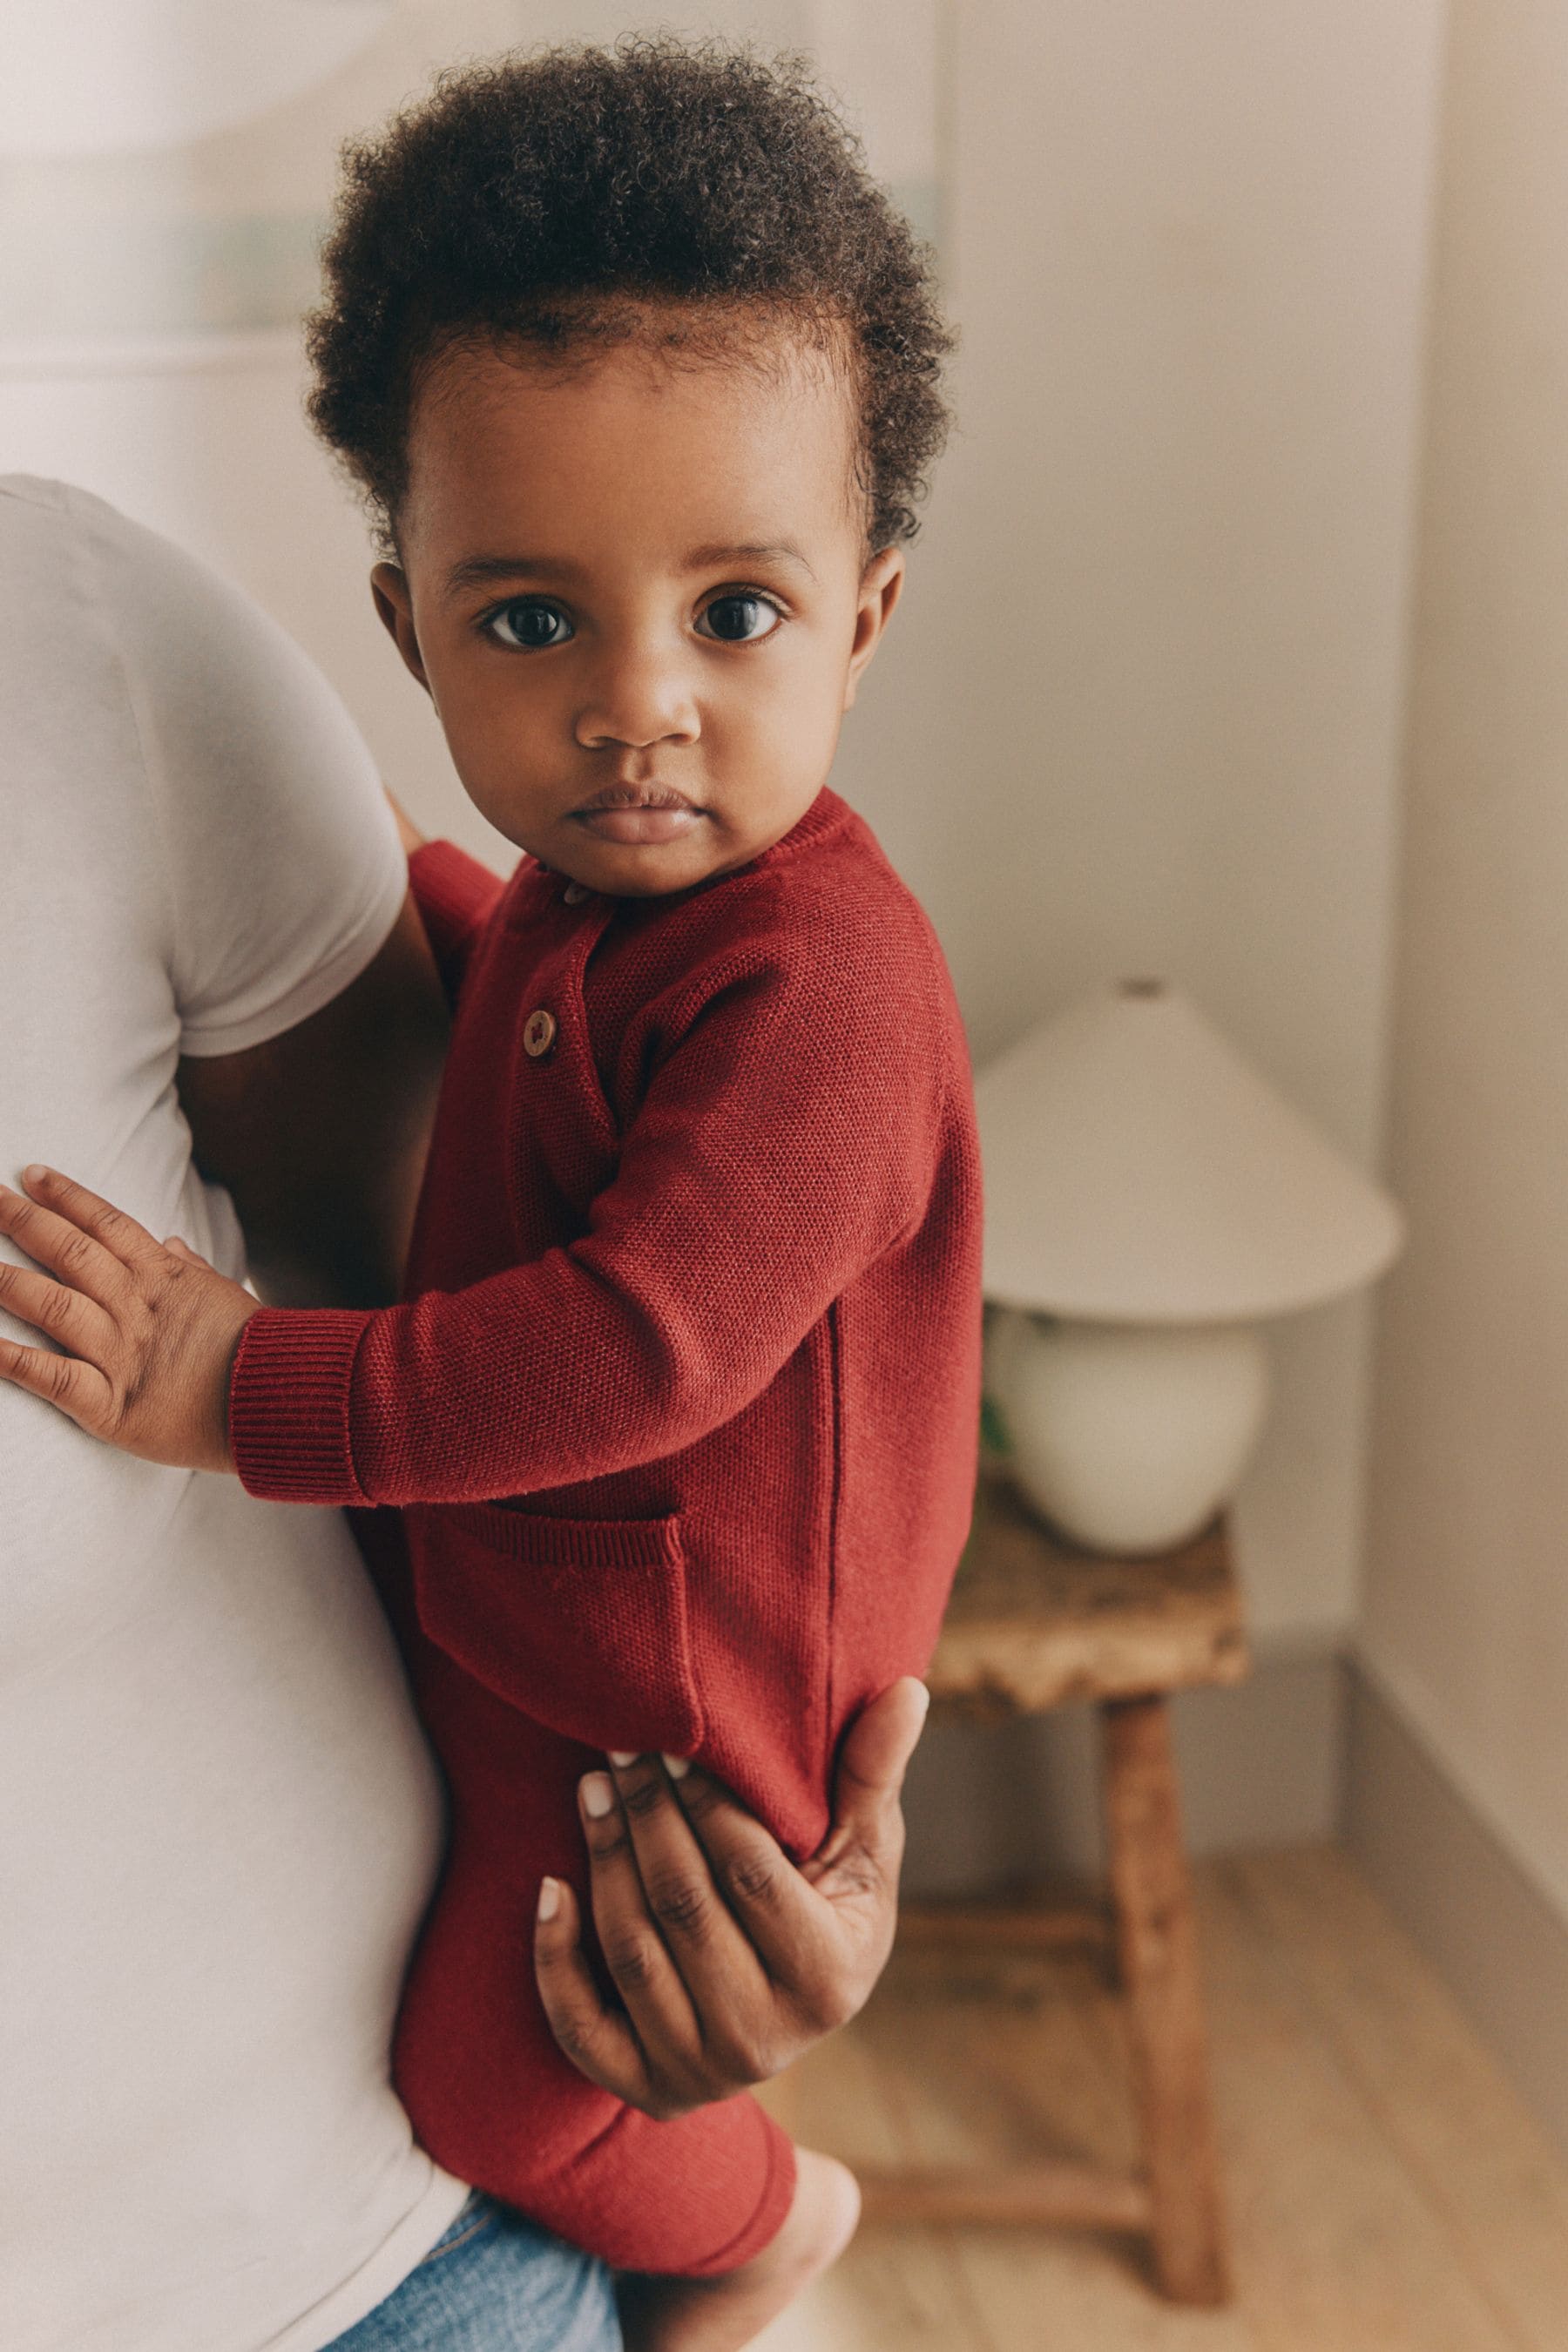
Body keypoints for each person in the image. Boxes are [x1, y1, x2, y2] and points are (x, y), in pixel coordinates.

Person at [0, 38, 983, 2350]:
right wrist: (427, 891)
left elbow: (640, 1337)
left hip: (690, 1683)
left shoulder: (825, 981)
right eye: (531, 623)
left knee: (496, 2074)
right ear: (407, 619)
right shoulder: (588, 906)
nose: (636, 710)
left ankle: (758, 2227)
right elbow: (500, 983)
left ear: (866, 617)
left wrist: (248, 1388)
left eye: (733, 613)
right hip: (571, 1629)